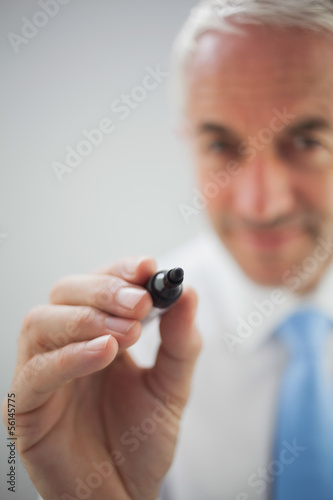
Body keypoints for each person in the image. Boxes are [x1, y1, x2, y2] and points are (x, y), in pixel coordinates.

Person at [3, 1, 333, 499]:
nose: (260, 204)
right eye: (221, 145)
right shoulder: (128, 361)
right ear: (188, 140)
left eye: (307, 141)